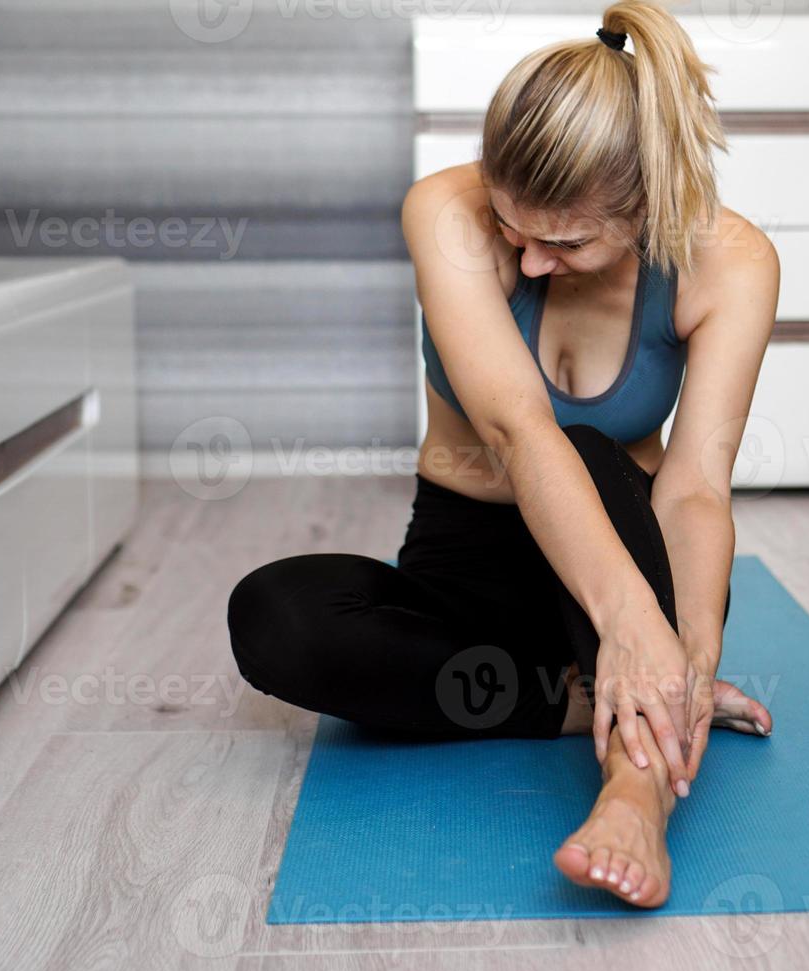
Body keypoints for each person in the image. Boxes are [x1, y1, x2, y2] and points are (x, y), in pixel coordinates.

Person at [228, 0, 779, 908]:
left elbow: (693, 494)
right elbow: (518, 430)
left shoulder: (732, 263)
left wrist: (663, 638)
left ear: (650, 202)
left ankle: (635, 796)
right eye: (512, 229)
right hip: (465, 570)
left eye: (563, 241)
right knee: (277, 614)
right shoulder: (444, 211)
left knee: (596, 454)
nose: (526, 264)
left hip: (614, 561)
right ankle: (580, 703)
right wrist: (652, 659)